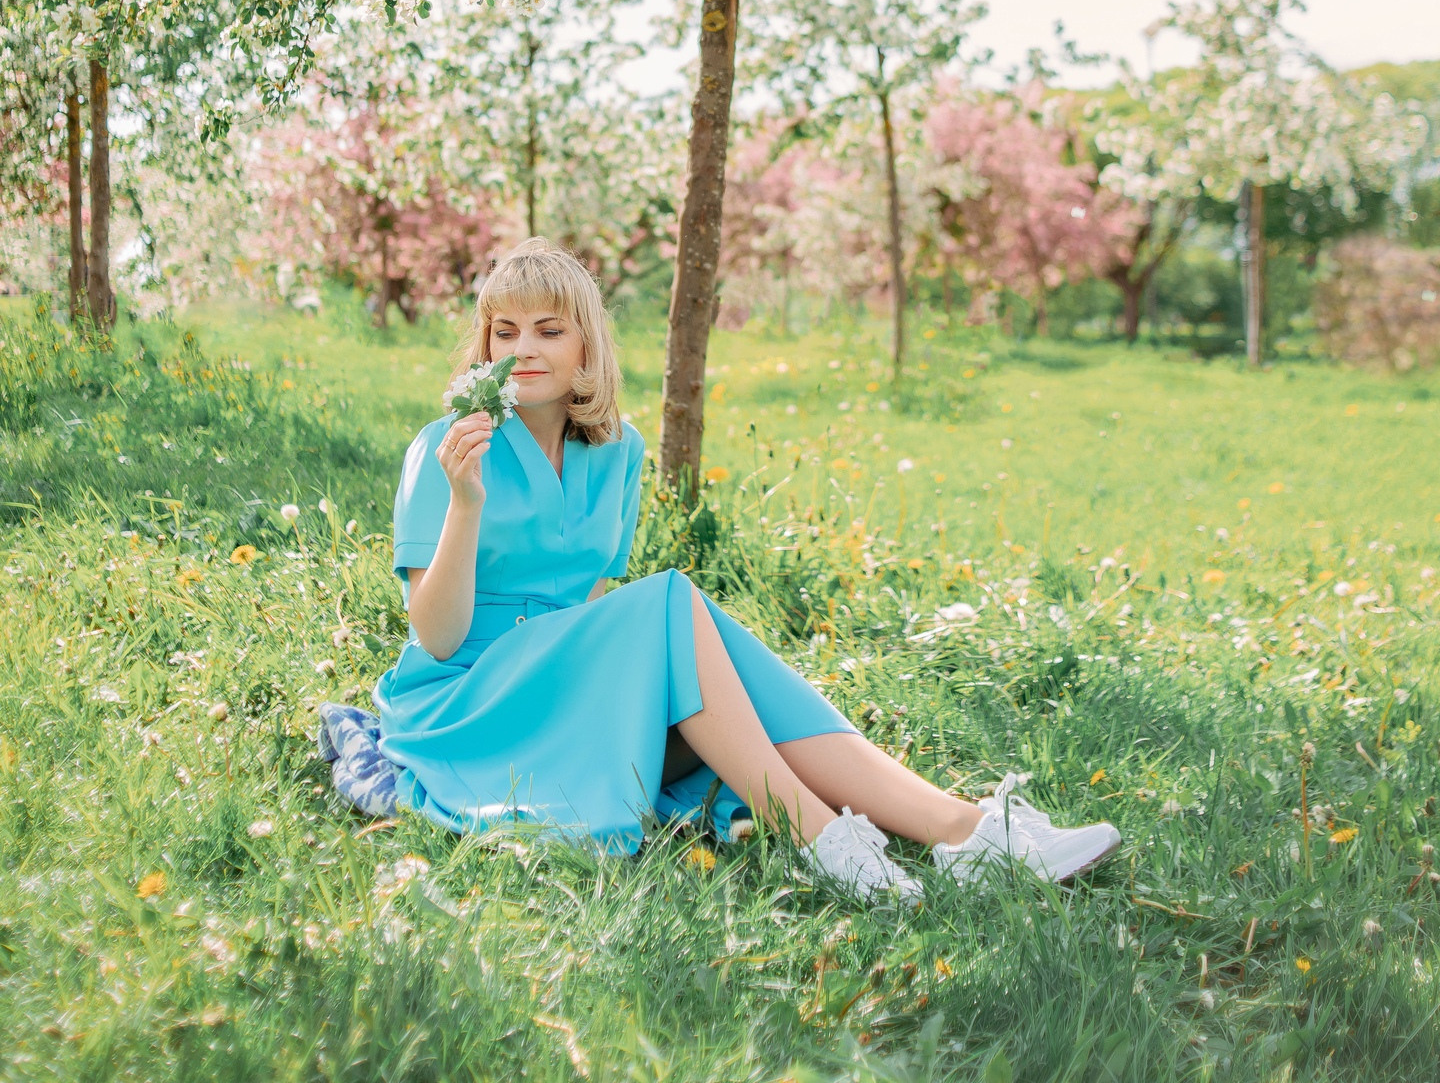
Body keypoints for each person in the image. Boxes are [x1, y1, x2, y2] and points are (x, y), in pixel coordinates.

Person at [370, 237, 1120, 905]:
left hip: (564, 688)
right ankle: (825, 839)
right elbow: (435, 638)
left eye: (548, 330)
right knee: (669, 600)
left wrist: (616, 684)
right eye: (505, 331)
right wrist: (465, 504)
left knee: (732, 670)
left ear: (585, 349)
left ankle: (969, 831)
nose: (523, 349)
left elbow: (591, 600)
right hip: (467, 703)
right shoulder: (446, 447)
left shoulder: (619, 450)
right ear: (485, 344)